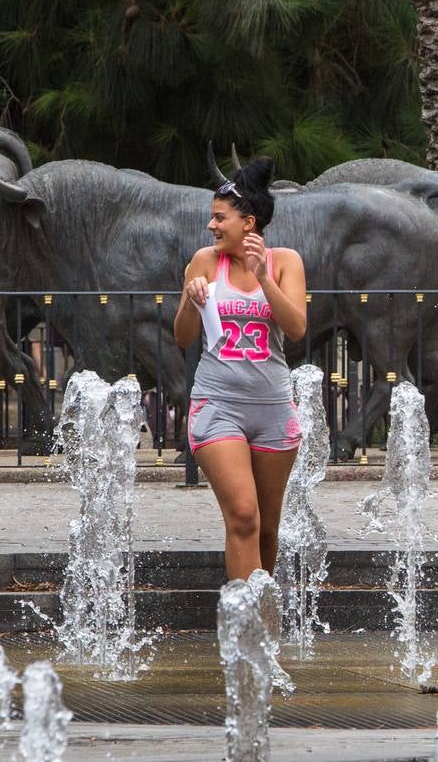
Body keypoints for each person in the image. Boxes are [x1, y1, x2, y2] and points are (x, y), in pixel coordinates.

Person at [173, 157, 307, 582]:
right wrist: (193, 301)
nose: (212, 227)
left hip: (272, 410)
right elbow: (182, 336)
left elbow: (297, 328)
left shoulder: (286, 262)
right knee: (244, 516)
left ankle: (263, 625)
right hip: (218, 406)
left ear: (248, 222)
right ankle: (243, 624)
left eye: (220, 218)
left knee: (267, 528)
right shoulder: (205, 262)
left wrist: (264, 277)